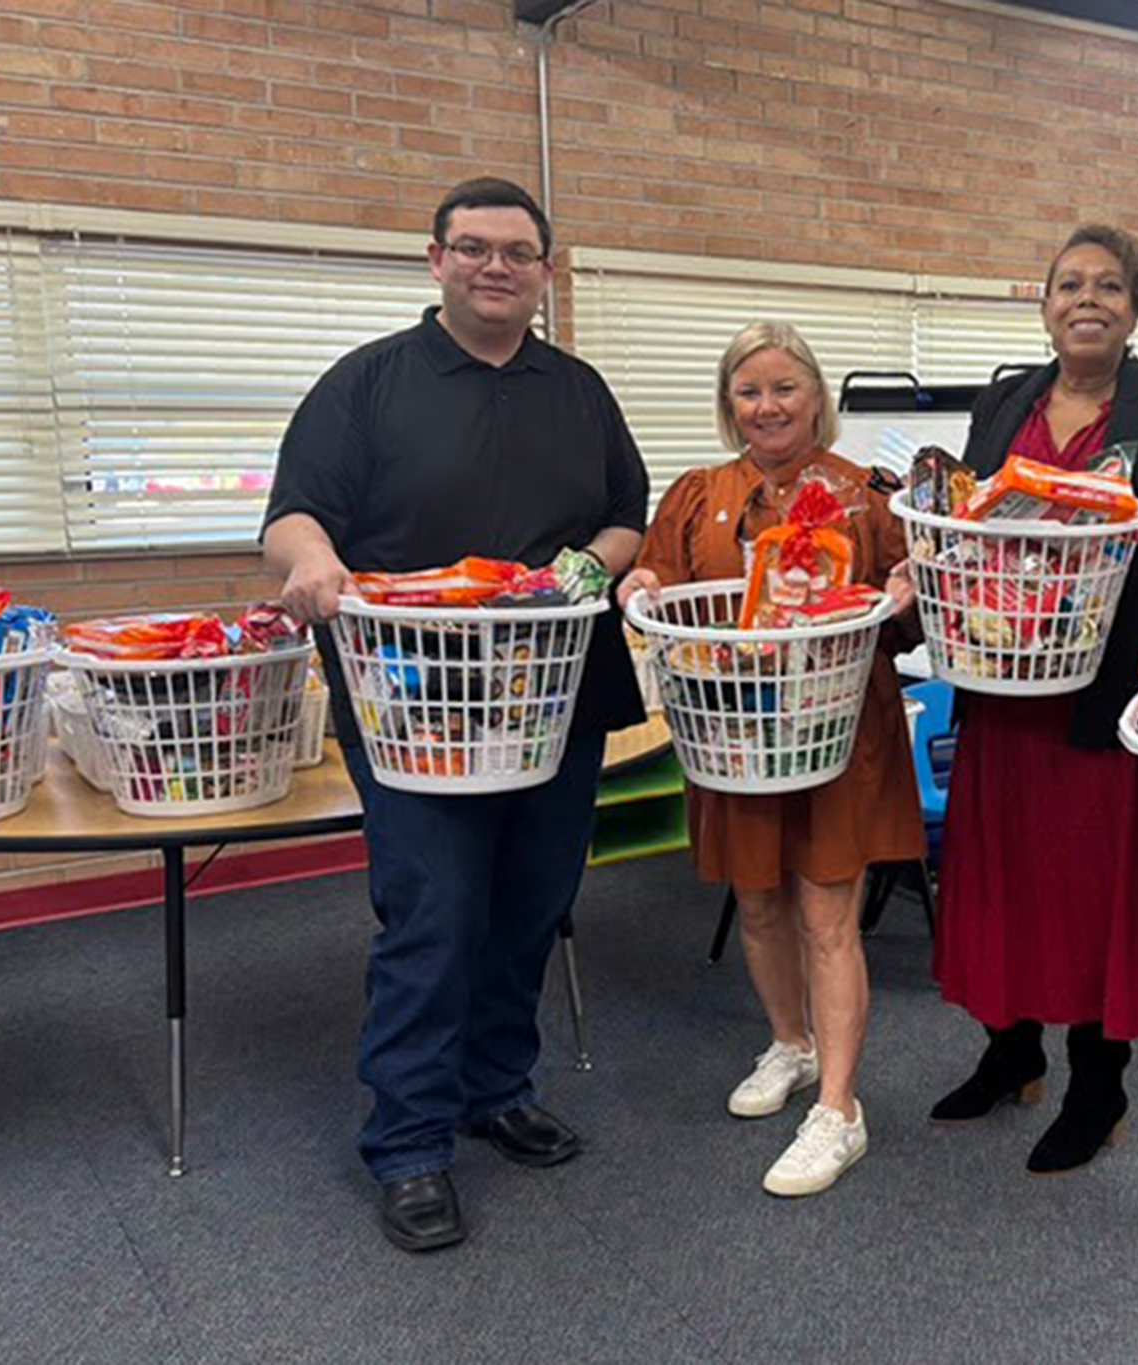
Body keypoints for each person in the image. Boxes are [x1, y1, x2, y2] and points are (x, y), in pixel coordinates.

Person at [262, 177, 649, 1253]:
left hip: (551, 696)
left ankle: (493, 1088)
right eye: (472, 248)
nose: (495, 266)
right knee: (432, 917)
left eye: (516, 252)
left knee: (530, 907)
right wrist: (316, 564)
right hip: (413, 706)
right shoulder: (368, 385)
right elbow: (294, 514)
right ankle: (411, 1144)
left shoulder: (577, 389)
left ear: (544, 272)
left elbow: (627, 514)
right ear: (434, 259)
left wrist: (590, 564)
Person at [925, 225, 1138, 1173]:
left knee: (1094, 892)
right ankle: (1010, 1051)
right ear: (1047, 304)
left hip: (1105, 693)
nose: (1087, 299)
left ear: (1135, 304)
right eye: (1070, 284)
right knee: (1008, 882)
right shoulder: (1003, 399)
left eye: (1109, 285)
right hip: (1007, 683)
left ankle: (1097, 1086)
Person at [619, 322, 923, 1198]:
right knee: (757, 903)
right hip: (732, 734)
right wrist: (638, 586)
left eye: (784, 387)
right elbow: (656, 574)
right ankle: (790, 1043)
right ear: (729, 406)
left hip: (837, 735)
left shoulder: (869, 497)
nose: (767, 406)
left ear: (816, 397)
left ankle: (840, 1108)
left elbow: (914, 615)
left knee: (829, 913)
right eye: (749, 391)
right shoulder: (697, 494)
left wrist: (908, 590)